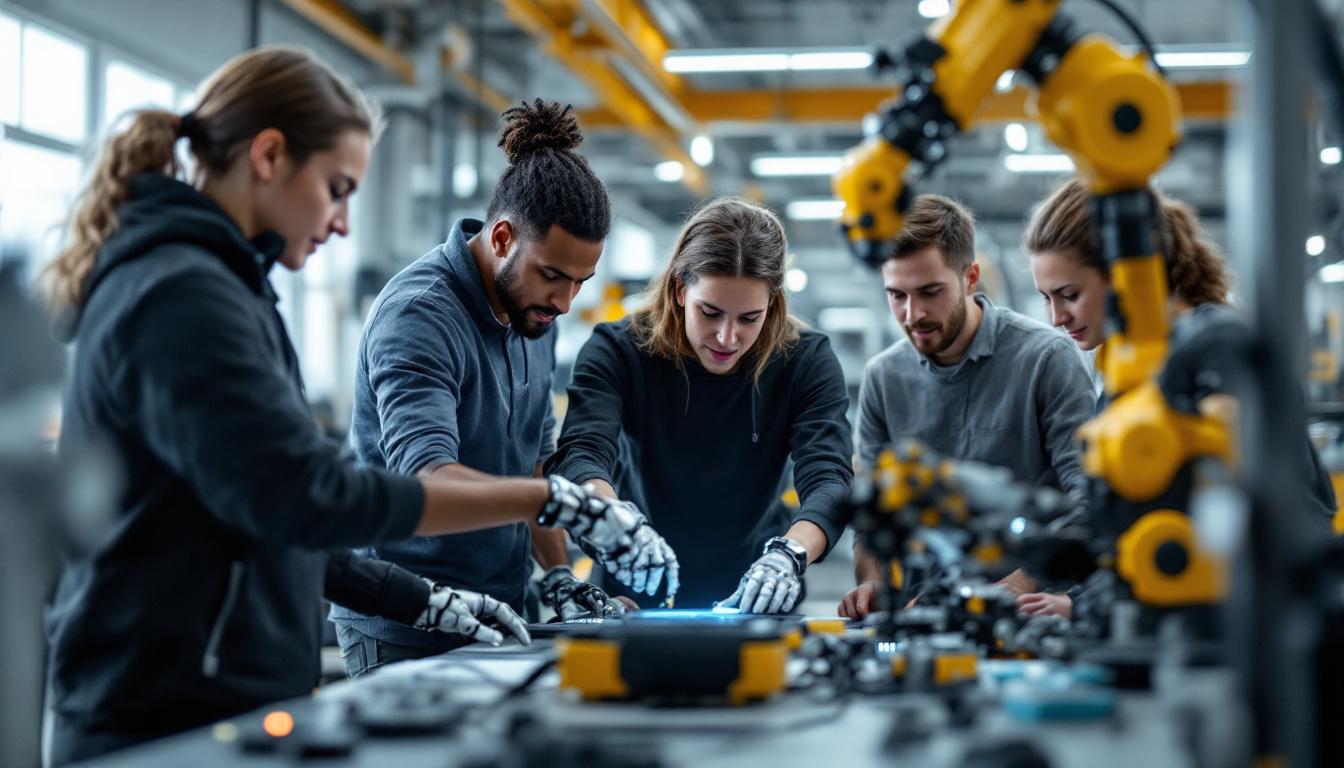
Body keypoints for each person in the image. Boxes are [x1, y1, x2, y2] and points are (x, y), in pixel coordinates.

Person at [41, 48, 673, 764]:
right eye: (337, 188)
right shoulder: (185, 294)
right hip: (162, 703)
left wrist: (441, 592)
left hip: (223, 688)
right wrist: (554, 503)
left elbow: (273, 511)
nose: (344, 224)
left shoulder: (233, 288)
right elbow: (315, 494)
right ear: (270, 155)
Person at [328, 99, 675, 673]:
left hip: (505, 610)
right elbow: (428, 483)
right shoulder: (419, 316)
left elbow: (533, 464)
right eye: (553, 276)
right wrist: (563, 502)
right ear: (503, 237)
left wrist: (559, 575)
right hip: (404, 623)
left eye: (580, 282)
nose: (566, 303)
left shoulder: (531, 316)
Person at [1018, 178, 1338, 618]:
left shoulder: (1218, 351)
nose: (1056, 318)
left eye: (1070, 295)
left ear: (1128, 273)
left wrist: (1082, 605)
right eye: (1046, 299)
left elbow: (1287, 510)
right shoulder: (1125, 371)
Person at [546, 197, 854, 613]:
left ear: (773, 304)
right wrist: (616, 527)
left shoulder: (806, 360)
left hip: (757, 597)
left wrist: (789, 556)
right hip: (632, 596)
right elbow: (582, 453)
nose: (727, 338)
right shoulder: (617, 350)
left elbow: (830, 479)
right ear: (678, 290)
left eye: (749, 318)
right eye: (709, 312)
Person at [838, 194, 1095, 620]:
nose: (912, 313)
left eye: (930, 292)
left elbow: (1088, 499)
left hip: (1029, 618)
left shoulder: (1046, 359)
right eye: (896, 295)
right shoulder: (883, 378)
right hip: (926, 622)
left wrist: (1017, 585)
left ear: (971, 277)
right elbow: (871, 517)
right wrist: (873, 581)